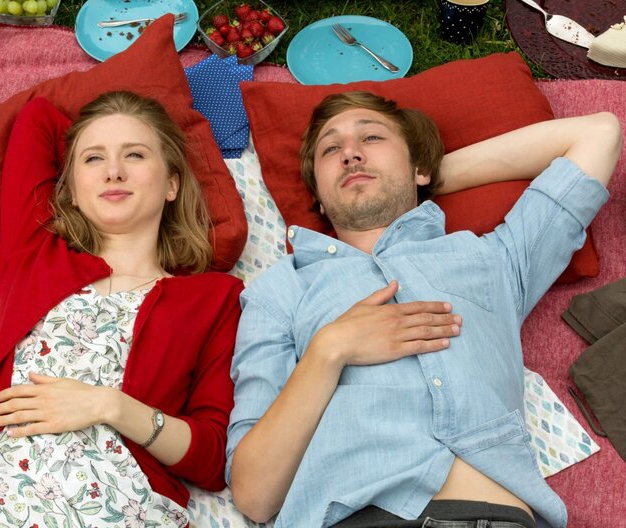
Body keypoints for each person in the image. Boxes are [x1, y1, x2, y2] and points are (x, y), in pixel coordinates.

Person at [226, 91, 621, 528]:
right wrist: (329, 350)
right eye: (331, 149)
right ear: (318, 196)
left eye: (371, 138)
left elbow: (598, 134)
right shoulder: (280, 290)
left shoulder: (493, 259)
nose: (350, 154)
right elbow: (254, 495)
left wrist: (426, 176)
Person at [0, 92, 243, 528]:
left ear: (172, 184)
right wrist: (106, 136)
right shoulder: (34, 252)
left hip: (120, 509)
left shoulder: (215, 298)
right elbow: (37, 118)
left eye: (135, 155)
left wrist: (109, 406)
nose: (113, 171)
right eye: (94, 159)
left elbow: (212, 458)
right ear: (70, 189)